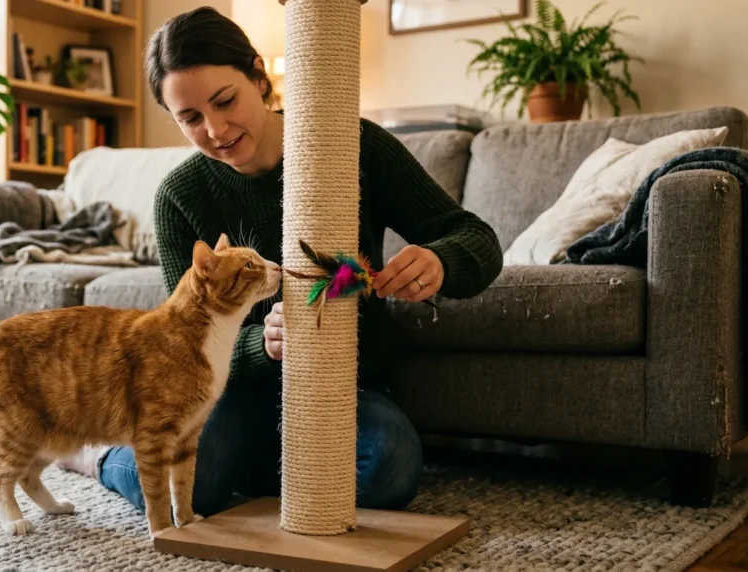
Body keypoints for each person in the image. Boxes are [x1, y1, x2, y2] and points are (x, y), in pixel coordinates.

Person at [59, 6, 503, 517]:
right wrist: (260, 343)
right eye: (190, 118)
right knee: (187, 488)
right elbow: (182, 340)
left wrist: (440, 260)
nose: (216, 129)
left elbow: (478, 238)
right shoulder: (179, 196)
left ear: (258, 76)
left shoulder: (351, 145)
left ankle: (254, 471)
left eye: (225, 101)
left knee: (388, 468)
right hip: (236, 390)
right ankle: (96, 455)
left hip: (347, 384)